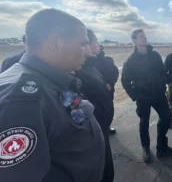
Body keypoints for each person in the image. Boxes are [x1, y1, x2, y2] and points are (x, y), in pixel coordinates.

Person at [0, 9, 105, 181]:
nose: (86, 50)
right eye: (82, 43)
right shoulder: (20, 100)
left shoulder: (49, 80)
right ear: (55, 42)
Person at [121, 29, 172, 163]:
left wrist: (163, 83)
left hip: (158, 94)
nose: (144, 38)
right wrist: (135, 95)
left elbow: (162, 71)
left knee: (165, 118)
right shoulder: (131, 60)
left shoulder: (155, 55)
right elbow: (125, 80)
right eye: (141, 36)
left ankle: (162, 148)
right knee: (144, 122)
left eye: (145, 36)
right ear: (134, 41)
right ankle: (146, 148)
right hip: (143, 97)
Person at [74, 29, 115, 182]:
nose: (98, 44)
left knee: (107, 170)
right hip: (94, 134)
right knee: (102, 172)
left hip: (102, 130)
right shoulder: (78, 72)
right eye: (94, 41)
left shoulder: (90, 66)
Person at [95, 44, 119, 134]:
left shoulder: (109, 60)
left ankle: (107, 127)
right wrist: (103, 85)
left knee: (109, 110)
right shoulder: (89, 62)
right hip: (97, 92)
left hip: (109, 91)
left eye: (101, 48)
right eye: (98, 47)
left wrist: (110, 84)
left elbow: (115, 73)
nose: (99, 49)